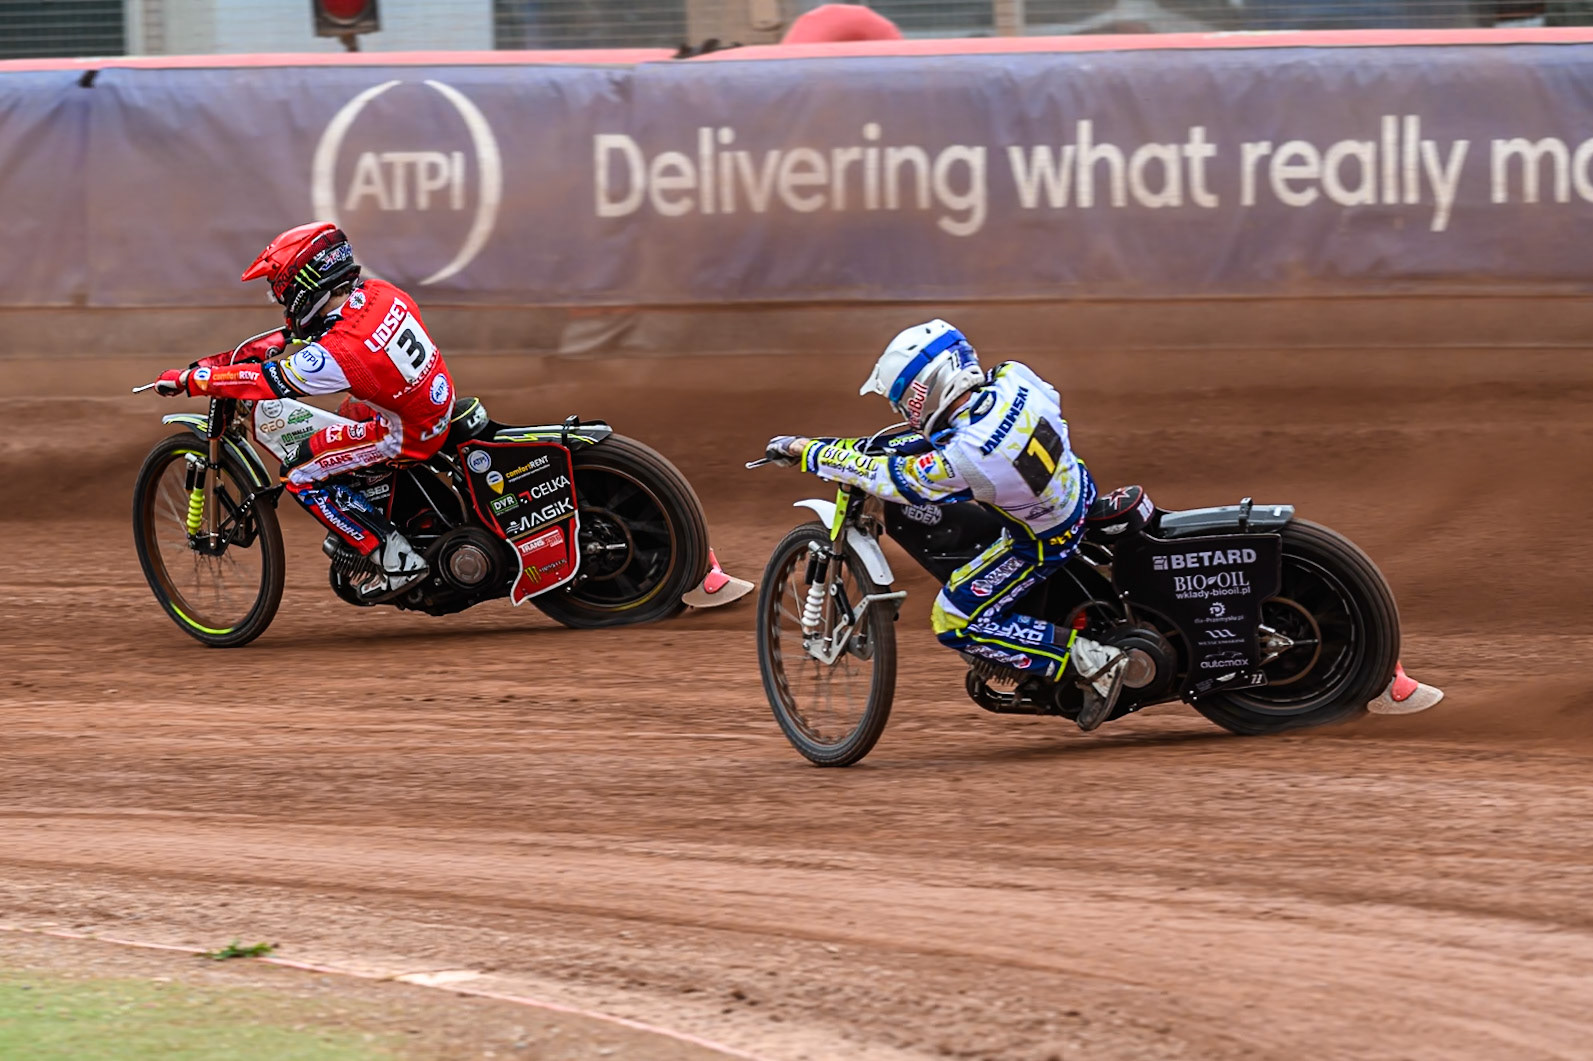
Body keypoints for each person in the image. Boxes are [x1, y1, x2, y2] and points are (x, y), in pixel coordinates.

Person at [764, 319, 1127, 729]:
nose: (904, 413)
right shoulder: (1015, 376)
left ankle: (1090, 661)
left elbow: (893, 480)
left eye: (904, 403)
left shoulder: (968, 455)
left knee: (953, 617)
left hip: (1043, 539)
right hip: (1075, 489)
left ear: (925, 392)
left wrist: (808, 451)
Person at [155, 222, 453, 601]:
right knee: (348, 411)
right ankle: (387, 506)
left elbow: (265, 381)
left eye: (285, 294)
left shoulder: (340, 353)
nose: (284, 303)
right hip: (430, 403)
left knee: (299, 470)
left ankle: (395, 559)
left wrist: (191, 380)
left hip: (408, 434)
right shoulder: (381, 294)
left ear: (305, 286)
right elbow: (311, 333)